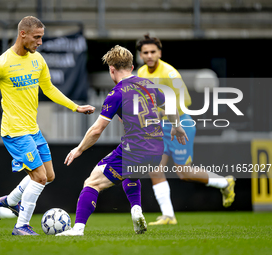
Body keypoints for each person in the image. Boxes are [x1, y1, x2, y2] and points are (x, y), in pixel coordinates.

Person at [0, 16, 95, 236]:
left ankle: (11, 200)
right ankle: (21, 226)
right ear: (22, 34)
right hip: (14, 131)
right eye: (37, 37)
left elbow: (49, 89)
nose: (40, 42)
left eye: (42, 37)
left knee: (50, 175)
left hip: (32, 129)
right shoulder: (3, 63)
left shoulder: (38, 60)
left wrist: (75, 107)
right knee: (39, 177)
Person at [56, 45, 188, 236]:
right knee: (131, 175)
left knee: (92, 182)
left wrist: (79, 149)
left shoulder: (116, 93)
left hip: (135, 149)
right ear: (132, 67)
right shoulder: (149, 85)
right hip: (157, 150)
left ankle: (77, 229)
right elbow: (170, 104)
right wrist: (176, 126)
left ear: (111, 69)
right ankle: (136, 210)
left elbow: (96, 130)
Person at [135, 34, 235, 225]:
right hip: (158, 129)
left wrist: (161, 112)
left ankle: (225, 182)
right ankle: (169, 216)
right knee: (154, 169)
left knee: (184, 173)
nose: (149, 55)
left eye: (152, 52)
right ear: (140, 54)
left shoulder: (170, 73)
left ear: (160, 53)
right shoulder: (141, 73)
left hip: (179, 125)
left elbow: (185, 101)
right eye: (145, 52)